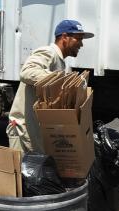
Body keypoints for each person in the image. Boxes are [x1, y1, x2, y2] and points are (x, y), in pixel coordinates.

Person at [6, 19, 94, 153]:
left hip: (34, 131)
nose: (81, 44)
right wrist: (62, 81)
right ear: (65, 37)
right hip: (23, 130)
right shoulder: (48, 52)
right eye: (78, 39)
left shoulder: (60, 62)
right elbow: (27, 72)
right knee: (22, 173)